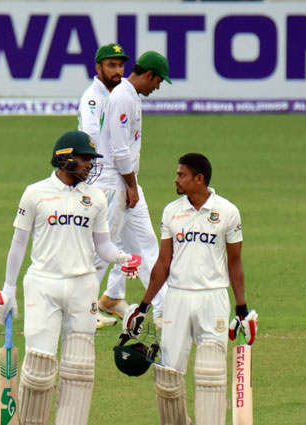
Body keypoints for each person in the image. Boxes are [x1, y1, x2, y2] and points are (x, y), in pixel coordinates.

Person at [0, 130, 142, 425]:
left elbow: (103, 245)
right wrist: (8, 289)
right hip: (42, 285)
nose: (90, 165)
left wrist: (122, 258)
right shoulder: (35, 193)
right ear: (65, 159)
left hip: (83, 287)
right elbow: (19, 243)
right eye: (85, 159)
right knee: (38, 370)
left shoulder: (95, 197)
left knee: (79, 371)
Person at [124, 153, 258, 425]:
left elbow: (235, 262)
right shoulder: (172, 211)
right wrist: (143, 306)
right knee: (168, 376)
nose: (176, 179)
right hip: (177, 298)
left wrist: (242, 309)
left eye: (182, 175)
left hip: (213, 298)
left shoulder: (228, 212)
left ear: (199, 179)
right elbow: (163, 262)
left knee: (211, 375)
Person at [92, 50, 171, 325]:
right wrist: (131, 186)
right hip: (114, 185)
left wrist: (132, 184)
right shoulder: (122, 97)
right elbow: (119, 150)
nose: (158, 87)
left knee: (147, 243)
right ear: (148, 74)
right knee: (102, 250)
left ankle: (163, 310)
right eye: (158, 81)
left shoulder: (131, 96)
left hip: (126, 182)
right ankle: (80, 307)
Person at [78, 42, 130, 329]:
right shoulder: (93, 98)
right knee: (101, 244)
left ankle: (112, 297)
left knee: (121, 240)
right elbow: (90, 138)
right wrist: (94, 177)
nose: (117, 70)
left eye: (120, 65)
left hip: (118, 177)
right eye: (111, 65)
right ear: (98, 67)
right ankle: (86, 307)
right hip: (102, 178)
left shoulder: (117, 95)